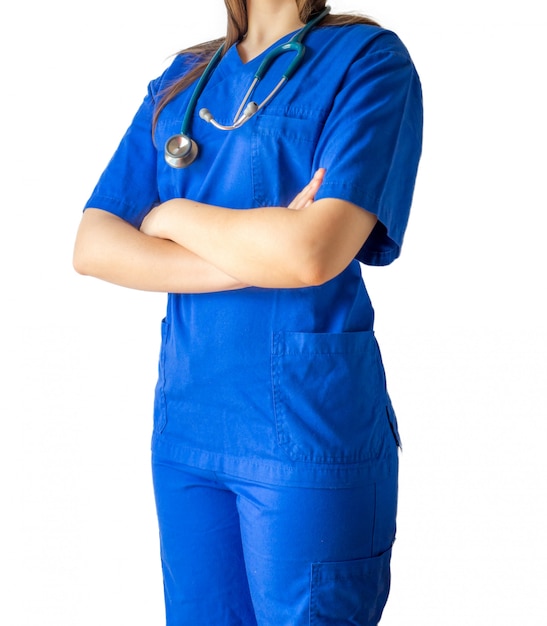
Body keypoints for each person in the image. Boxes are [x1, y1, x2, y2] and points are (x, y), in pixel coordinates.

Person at [73, 0, 423, 623]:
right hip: (188, 425)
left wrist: (168, 217)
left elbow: (312, 253)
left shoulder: (368, 62)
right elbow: (94, 244)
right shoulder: (184, 77)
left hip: (307, 431)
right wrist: (257, 256)